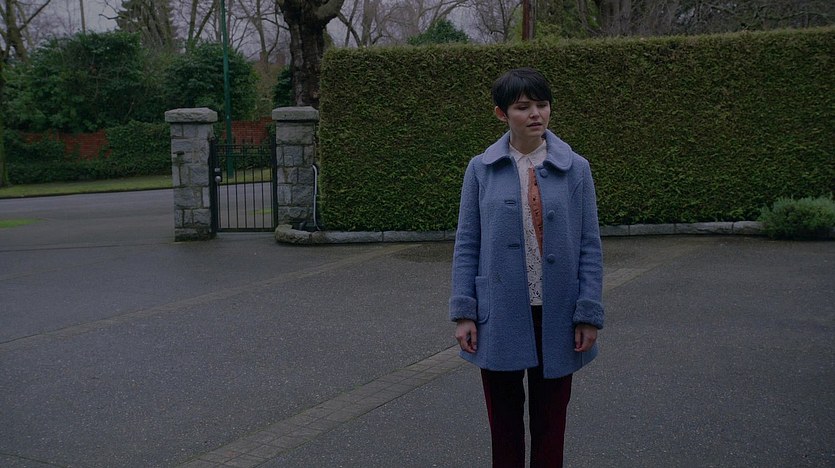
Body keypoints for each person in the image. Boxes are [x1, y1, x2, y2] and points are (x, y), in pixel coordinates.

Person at [449, 67, 604, 468]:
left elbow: (589, 244)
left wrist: (588, 313)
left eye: (542, 104)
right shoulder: (480, 169)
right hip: (499, 312)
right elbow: (467, 243)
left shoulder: (577, 169)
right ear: (501, 114)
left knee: (551, 423)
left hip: (559, 313)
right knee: (503, 423)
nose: (536, 113)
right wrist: (464, 312)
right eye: (523, 106)